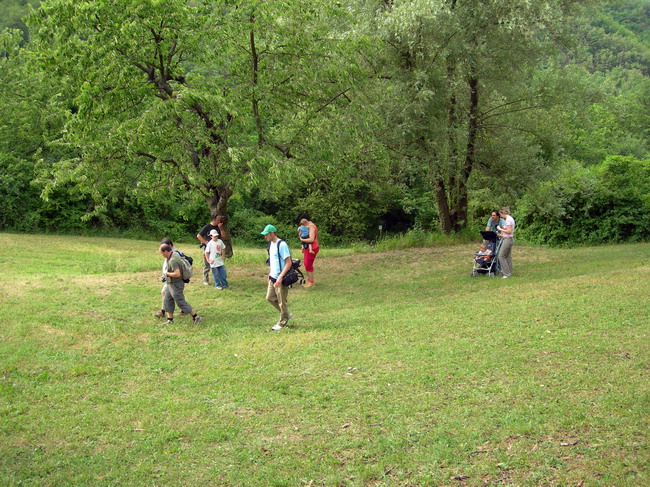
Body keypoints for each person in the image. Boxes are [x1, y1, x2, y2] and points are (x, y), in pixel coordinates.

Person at [159, 243, 203, 325]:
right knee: (167, 299)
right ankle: (170, 320)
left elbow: (177, 274)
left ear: (165, 251)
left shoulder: (173, 260)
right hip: (170, 283)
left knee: (180, 302)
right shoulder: (174, 254)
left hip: (176, 284)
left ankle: (196, 317)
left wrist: (167, 274)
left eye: (161, 253)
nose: (161, 255)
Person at [261, 224, 292, 331]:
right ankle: (286, 314)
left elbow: (288, 263)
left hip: (281, 278)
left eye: (266, 234)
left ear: (272, 233)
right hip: (273, 277)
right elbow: (272, 262)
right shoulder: (271, 245)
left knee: (281, 301)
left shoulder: (282, 245)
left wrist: (280, 277)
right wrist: (270, 274)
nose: (265, 237)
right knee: (269, 298)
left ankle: (282, 322)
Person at [196, 214, 224, 286]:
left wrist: (220, 228)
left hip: (217, 250)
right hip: (208, 250)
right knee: (207, 265)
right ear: (214, 219)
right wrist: (205, 242)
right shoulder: (207, 227)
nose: (219, 221)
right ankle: (205, 279)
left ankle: (219, 280)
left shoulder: (218, 227)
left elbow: (223, 236)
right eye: (218, 219)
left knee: (218, 265)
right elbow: (199, 235)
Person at [297, 213, 319, 288]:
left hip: (312, 248)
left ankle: (311, 282)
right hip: (309, 247)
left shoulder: (311, 227)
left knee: (307, 264)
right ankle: (310, 279)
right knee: (307, 263)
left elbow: (311, 239)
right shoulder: (309, 226)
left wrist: (302, 239)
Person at [497, 206, 516, 279]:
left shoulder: (508, 220)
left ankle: (506, 273)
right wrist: (501, 234)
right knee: (507, 256)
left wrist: (500, 228)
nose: (500, 216)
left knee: (501, 256)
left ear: (503, 213)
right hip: (507, 238)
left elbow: (509, 231)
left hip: (508, 239)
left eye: (500, 214)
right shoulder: (508, 219)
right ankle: (509, 272)